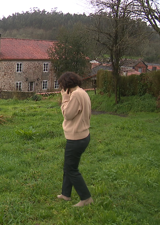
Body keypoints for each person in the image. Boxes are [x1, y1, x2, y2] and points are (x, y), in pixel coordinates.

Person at [57, 72, 93, 207]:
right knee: (69, 166)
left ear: (66, 85)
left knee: (71, 169)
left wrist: (65, 99)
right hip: (82, 135)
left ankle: (86, 198)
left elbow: (68, 114)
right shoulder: (82, 92)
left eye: (61, 85)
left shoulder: (76, 95)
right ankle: (65, 194)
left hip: (76, 137)